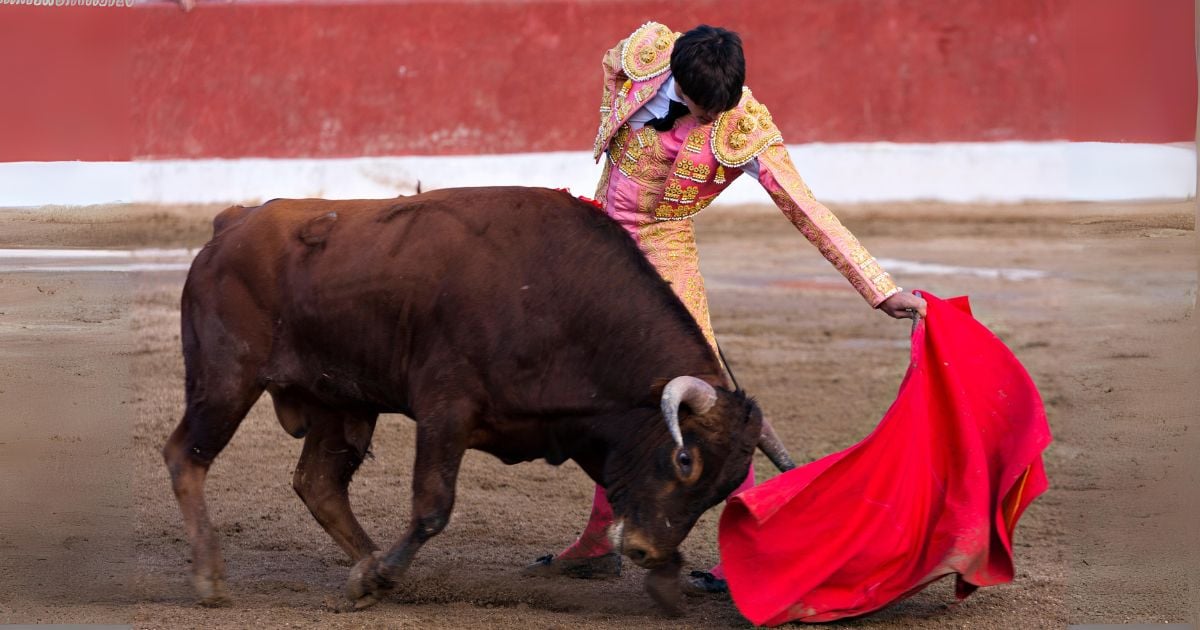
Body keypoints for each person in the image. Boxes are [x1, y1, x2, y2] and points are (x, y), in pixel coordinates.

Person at [524, 22, 927, 593]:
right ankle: (596, 540)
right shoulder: (643, 57)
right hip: (597, 247)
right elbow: (610, 64)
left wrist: (879, 288)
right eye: (700, 107)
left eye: (722, 108)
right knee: (594, 391)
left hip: (665, 254)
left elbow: (804, 207)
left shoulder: (746, 128)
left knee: (707, 406)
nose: (713, 120)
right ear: (678, 83)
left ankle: (752, 545)